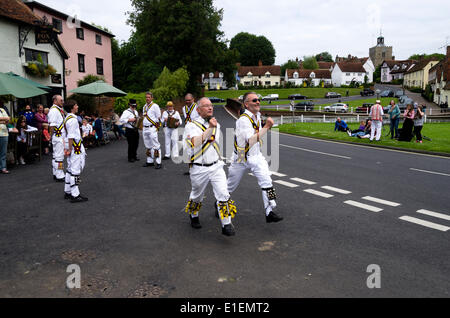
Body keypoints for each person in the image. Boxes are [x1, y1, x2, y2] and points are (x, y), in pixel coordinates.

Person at [183, 97, 237, 236]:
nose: (210, 108)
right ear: (198, 109)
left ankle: (226, 224)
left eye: (211, 105)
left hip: (216, 166)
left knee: (223, 194)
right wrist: (210, 128)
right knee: (197, 196)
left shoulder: (216, 124)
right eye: (206, 106)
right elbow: (194, 142)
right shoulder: (191, 125)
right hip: (199, 167)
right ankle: (193, 215)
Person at [227, 92, 283, 224]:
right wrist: (267, 127)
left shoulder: (256, 115)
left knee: (267, 182)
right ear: (246, 104)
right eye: (254, 100)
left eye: (258, 100)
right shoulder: (243, 120)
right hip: (241, 156)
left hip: (256, 155)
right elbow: (251, 140)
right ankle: (220, 203)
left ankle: (269, 212)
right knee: (230, 187)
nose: (258, 102)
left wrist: (263, 125)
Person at [63, 100, 88, 203]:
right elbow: (71, 137)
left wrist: (67, 148)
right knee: (76, 170)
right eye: (76, 105)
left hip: (72, 147)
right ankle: (75, 194)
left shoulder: (67, 118)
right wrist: (69, 149)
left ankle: (68, 191)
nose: (77, 107)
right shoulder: (72, 120)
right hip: (75, 148)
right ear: (72, 107)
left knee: (70, 169)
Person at [48, 95, 66, 182]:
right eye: (61, 100)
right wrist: (51, 136)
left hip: (58, 136)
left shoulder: (56, 110)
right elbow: (52, 125)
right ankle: (60, 175)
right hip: (58, 136)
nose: (62, 102)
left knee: (56, 156)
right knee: (59, 157)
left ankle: (56, 173)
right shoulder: (54, 110)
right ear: (55, 101)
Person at [142, 92, 162, 169]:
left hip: (152, 127)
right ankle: (149, 161)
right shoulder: (144, 107)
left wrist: (157, 127)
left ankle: (158, 162)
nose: (147, 98)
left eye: (149, 97)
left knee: (156, 145)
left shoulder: (155, 106)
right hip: (145, 128)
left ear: (152, 98)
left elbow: (158, 117)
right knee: (148, 145)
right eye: (146, 97)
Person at [0, 105, 10, 174]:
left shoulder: (2, 110)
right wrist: (4, 120)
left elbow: (8, 119)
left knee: (3, 152)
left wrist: (1, 120)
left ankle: (3, 167)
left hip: (4, 133)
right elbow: (5, 119)